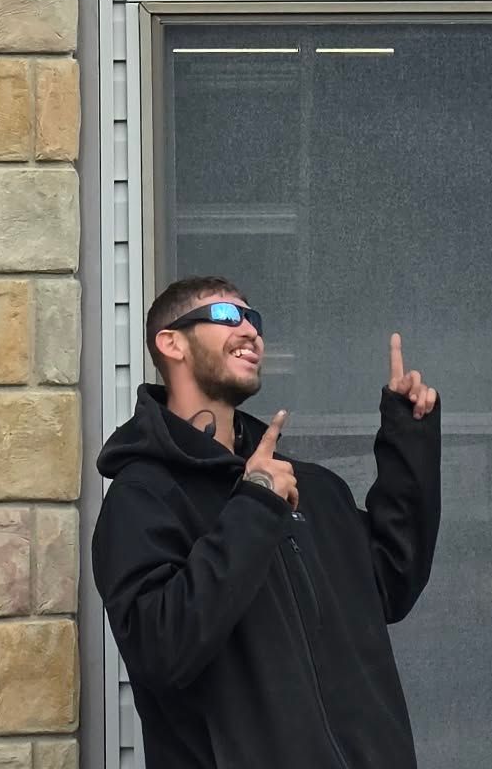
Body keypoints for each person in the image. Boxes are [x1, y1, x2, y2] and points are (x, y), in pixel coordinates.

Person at [91, 276, 441, 769]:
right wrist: (254, 505)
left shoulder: (309, 487)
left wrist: (410, 439)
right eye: (229, 317)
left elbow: (392, 582)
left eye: (254, 320)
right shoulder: (143, 498)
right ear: (171, 342)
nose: (251, 332)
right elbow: (162, 651)